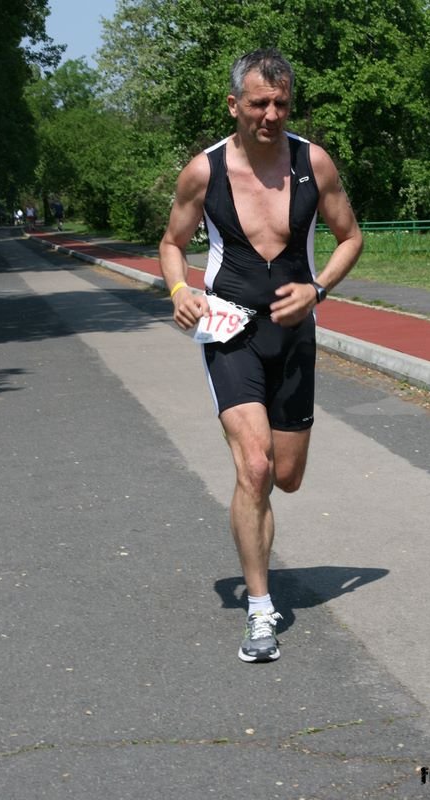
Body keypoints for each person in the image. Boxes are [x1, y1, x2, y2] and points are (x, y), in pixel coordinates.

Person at [159, 48, 363, 663]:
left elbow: (352, 236)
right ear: (234, 105)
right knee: (253, 467)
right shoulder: (204, 172)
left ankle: (262, 557)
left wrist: (317, 288)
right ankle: (259, 610)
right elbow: (171, 244)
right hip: (230, 331)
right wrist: (179, 291)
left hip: (295, 335)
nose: (271, 114)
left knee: (286, 476)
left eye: (280, 103)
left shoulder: (313, 161)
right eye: (258, 103)